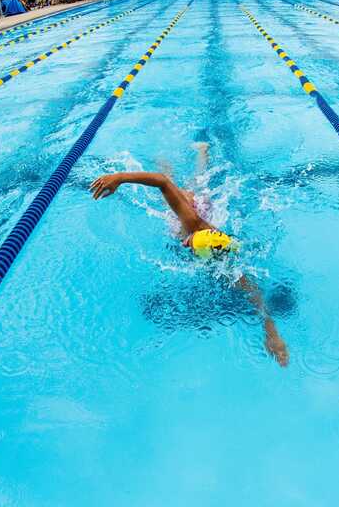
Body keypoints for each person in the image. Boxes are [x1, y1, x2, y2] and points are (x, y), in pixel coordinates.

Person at [89, 143, 290, 367]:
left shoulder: (224, 261)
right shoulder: (190, 222)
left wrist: (273, 334)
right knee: (181, 185)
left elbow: (256, 297)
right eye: (190, 243)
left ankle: (200, 152)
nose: (186, 245)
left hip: (201, 216)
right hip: (195, 208)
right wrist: (120, 177)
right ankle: (196, 152)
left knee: (194, 184)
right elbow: (161, 182)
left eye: (191, 246)